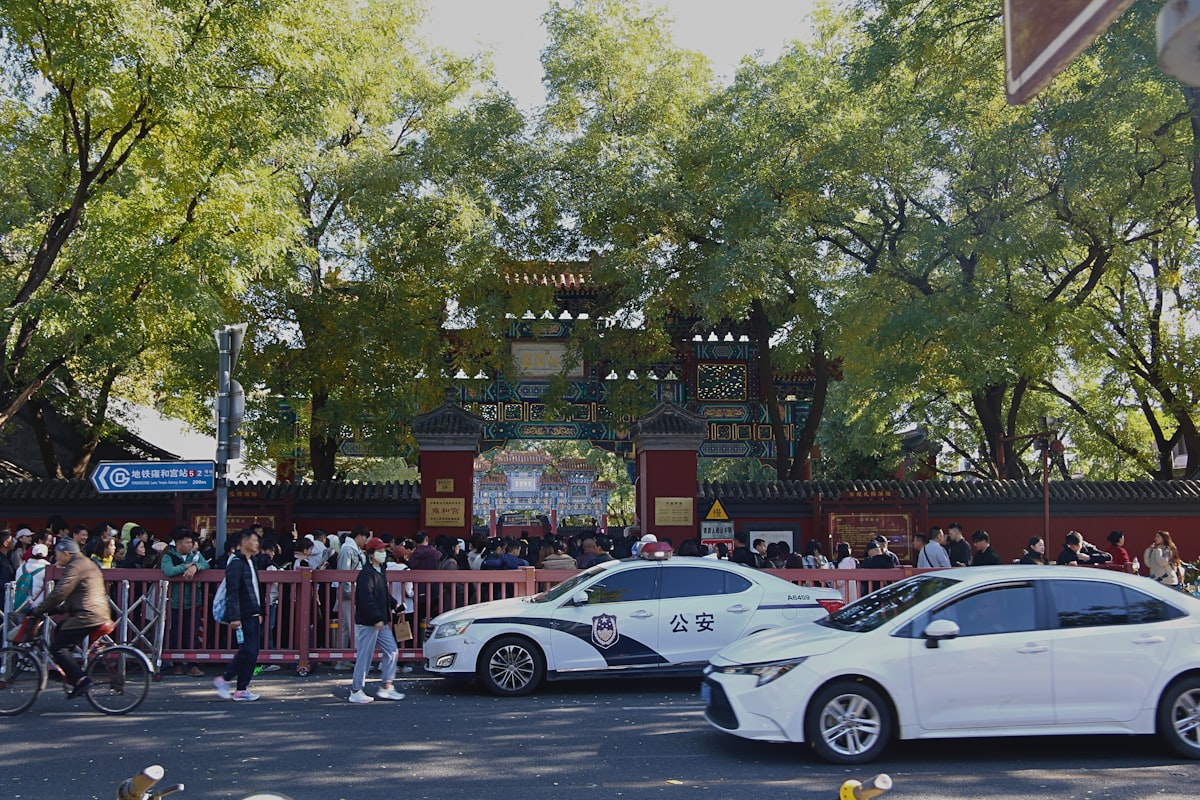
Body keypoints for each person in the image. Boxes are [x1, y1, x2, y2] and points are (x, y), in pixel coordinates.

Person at [28, 538, 113, 699]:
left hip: (87, 615)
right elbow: (80, 594)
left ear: (66, 553)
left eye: (58, 554)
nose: (56, 557)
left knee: (57, 648)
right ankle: (72, 670)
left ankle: (80, 680)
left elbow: (60, 592)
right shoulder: (86, 563)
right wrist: (58, 609)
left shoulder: (75, 566)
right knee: (60, 630)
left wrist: (39, 610)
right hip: (96, 612)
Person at [348, 538, 406, 704]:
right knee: (365, 657)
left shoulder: (380, 570)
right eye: (380, 551)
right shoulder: (366, 574)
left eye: (384, 550)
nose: (383, 553)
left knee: (392, 651)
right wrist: (377, 618)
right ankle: (356, 689)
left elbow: (382, 594)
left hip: (379, 620)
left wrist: (395, 605)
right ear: (371, 554)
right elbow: (366, 599)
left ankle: (386, 686)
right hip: (370, 622)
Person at [214, 530, 264, 702]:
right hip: (243, 614)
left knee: (252, 652)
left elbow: (255, 589)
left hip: (253, 612)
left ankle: (241, 688)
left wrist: (259, 611)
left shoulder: (252, 561)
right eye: (254, 540)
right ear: (244, 542)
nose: (257, 543)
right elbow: (232, 592)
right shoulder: (235, 563)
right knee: (248, 651)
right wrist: (234, 616)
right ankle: (226, 679)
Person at [162, 529, 210, 677]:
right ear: (178, 544)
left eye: (191, 542)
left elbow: (206, 565)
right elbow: (168, 571)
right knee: (175, 633)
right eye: (187, 542)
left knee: (192, 633)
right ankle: (177, 665)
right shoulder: (168, 556)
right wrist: (186, 567)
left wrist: (196, 567)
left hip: (193, 601)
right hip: (175, 602)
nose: (190, 545)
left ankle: (192, 665)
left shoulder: (196, 555)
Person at [334, 526, 369, 670]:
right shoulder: (349, 550)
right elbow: (345, 573)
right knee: (354, 626)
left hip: (349, 593)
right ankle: (358, 660)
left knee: (345, 628)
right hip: (350, 594)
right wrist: (349, 592)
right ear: (359, 536)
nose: (365, 540)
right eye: (365, 537)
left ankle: (341, 659)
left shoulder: (350, 549)